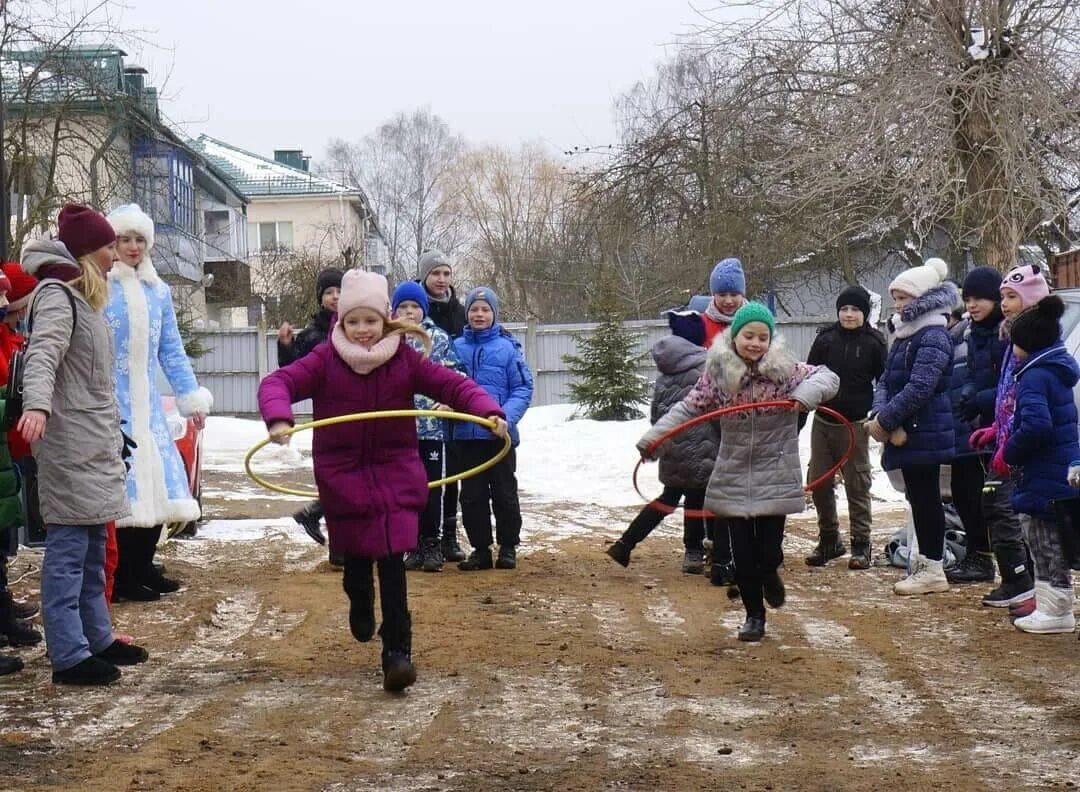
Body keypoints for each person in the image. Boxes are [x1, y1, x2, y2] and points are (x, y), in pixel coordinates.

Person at [258, 269, 507, 691]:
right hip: (343, 473)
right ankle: (358, 596)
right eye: (353, 321)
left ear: (386, 320)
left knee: (392, 561)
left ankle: (397, 654)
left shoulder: (404, 358)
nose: (362, 331)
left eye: (370, 321)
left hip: (394, 469)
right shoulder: (324, 359)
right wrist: (279, 417)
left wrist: (486, 409)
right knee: (357, 557)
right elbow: (278, 381)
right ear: (341, 322)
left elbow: (452, 386)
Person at [639, 302, 839, 642]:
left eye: (763, 337)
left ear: (770, 340)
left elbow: (828, 377)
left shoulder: (785, 370)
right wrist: (653, 438)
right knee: (742, 554)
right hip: (733, 471)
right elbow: (688, 408)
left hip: (775, 469)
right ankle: (754, 616)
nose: (755, 343)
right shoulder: (719, 375)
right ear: (735, 336)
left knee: (769, 550)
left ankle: (770, 573)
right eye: (749, 335)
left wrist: (805, 396)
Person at [20, 203, 149, 685]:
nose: (117, 254)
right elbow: (43, 356)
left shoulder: (83, 296)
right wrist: (37, 406)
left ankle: (97, 637)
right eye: (110, 246)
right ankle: (69, 655)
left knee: (94, 548)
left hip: (94, 440)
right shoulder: (57, 296)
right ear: (89, 249)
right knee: (70, 550)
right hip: (70, 443)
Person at [104, 205, 212, 602]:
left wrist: (188, 395)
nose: (133, 247)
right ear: (112, 244)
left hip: (148, 407)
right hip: (111, 405)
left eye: (139, 240)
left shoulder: (159, 291)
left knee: (158, 490)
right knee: (123, 493)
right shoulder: (99, 287)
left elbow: (172, 350)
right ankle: (122, 577)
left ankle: (140, 568)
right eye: (125, 240)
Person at [868, 258, 957, 596]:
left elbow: (922, 386)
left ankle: (933, 568)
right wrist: (881, 417)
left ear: (921, 298)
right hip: (907, 429)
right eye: (895, 297)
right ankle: (925, 563)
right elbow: (886, 382)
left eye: (904, 297)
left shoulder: (933, 335)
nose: (898, 304)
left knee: (927, 499)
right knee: (918, 499)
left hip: (925, 429)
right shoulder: (904, 335)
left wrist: (888, 420)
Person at [606, 310, 719, 574]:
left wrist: (659, 444)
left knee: (668, 499)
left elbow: (657, 414)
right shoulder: (706, 368)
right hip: (704, 448)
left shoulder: (666, 370)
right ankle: (698, 552)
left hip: (672, 450)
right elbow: (715, 412)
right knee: (701, 500)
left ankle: (625, 543)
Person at [968, 264, 1046, 610]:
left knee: (1007, 508)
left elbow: (1028, 396)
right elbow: (1006, 393)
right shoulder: (1010, 335)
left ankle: (1023, 583)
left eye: (1011, 297)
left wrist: (1010, 436)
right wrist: (996, 429)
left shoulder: (1036, 341)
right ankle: (1017, 581)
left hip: (1023, 444)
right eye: (1003, 297)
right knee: (998, 507)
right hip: (1005, 437)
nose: (1004, 304)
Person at [998, 295, 1078, 633]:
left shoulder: (1034, 376)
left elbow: (1036, 426)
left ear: (1026, 345)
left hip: (1044, 474)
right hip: (1057, 470)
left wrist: (1009, 453)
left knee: (1043, 541)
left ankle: (1056, 609)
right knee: (1049, 539)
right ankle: (1051, 606)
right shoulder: (1052, 371)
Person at [804, 285, 886, 569]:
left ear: (864, 313)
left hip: (856, 425)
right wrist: (799, 419)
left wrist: (881, 416)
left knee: (857, 483)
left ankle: (861, 543)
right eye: (844, 309)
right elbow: (808, 379)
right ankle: (829, 540)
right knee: (820, 482)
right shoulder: (826, 339)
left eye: (855, 310)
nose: (849, 315)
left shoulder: (874, 343)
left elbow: (884, 383)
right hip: (824, 421)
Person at [453, 287, 534, 571]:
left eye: (485, 310)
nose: (479, 314)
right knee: (472, 496)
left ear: (494, 314)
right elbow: (446, 386)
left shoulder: (507, 348)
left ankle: (508, 546)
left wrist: (505, 419)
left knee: (504, 493)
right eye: (474, 309)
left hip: (499, 437)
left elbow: (523, 388)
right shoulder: (455, 348)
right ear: (467, 313)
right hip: (466, 436)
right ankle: (480, 549)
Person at [390, 281, 465, 573]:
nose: (409, 313)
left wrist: (449, 403)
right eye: (403, 307)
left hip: (431, 429)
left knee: (431, 488)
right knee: (405, 490)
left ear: (424, 310)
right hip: (398, 431)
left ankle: (432, 543)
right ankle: (412, 544)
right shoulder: (388, 339)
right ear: (394, 311)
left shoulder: (438, 338)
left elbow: (457, 375)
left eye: (415, 307)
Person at [946, 266, 1008, 585]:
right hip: (976, 425)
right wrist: (969, 395)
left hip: (1002, 428)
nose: (972, 305)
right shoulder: (972, 333)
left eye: (979, 298)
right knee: (963, 491)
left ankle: (1004, 564)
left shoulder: (1007, 332)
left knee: (994, 499)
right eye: (968, 299)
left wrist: (981, 398)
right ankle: (977, 555)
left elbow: (1010, 384)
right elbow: (971, 374)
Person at [277, 268, 343, 554]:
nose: (335, 297)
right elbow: (292, 372)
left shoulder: (360, 327)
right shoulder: (313, 334)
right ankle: (338, 545)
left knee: (352, 480)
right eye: (329, 292)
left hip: (360, 411)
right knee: (337, 478)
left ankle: (314, 514)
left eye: (340, 291)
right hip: (329, 416)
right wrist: (286, 345)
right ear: (320, 298)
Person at [416, 249, 468, 562]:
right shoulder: (411, 310)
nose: (442, 279)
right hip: (417, 411)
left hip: (449, 404)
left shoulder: (459, 311)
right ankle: (419, 538)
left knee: (452, 473)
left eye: (446, 273)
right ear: (424, 276)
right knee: (420, 476)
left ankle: (448, 536)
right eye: (436, 273)